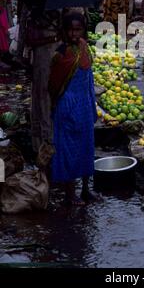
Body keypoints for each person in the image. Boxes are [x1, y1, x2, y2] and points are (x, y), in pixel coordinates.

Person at [48, 12, 98, 206]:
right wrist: (59, 105)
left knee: (86, 147)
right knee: (68, 149)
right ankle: (70, 193)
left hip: (85, 104)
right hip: (67, 106)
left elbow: (89, 78)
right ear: (64, 31)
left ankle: (86, 189)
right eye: (70, 29)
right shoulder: (61, 53)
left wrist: (92, 103)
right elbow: (53, 85)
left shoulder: (85, 47)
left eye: (78, 29)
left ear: (83, 30)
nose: (74, 33)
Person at [29, 8, 61, 152]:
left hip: (57, 53)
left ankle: (52, 142)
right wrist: (54, 38)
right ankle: (46, 144)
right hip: (43, 55)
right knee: (44, 97)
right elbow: (30, 37)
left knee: (55, 97)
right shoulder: (35, 5)